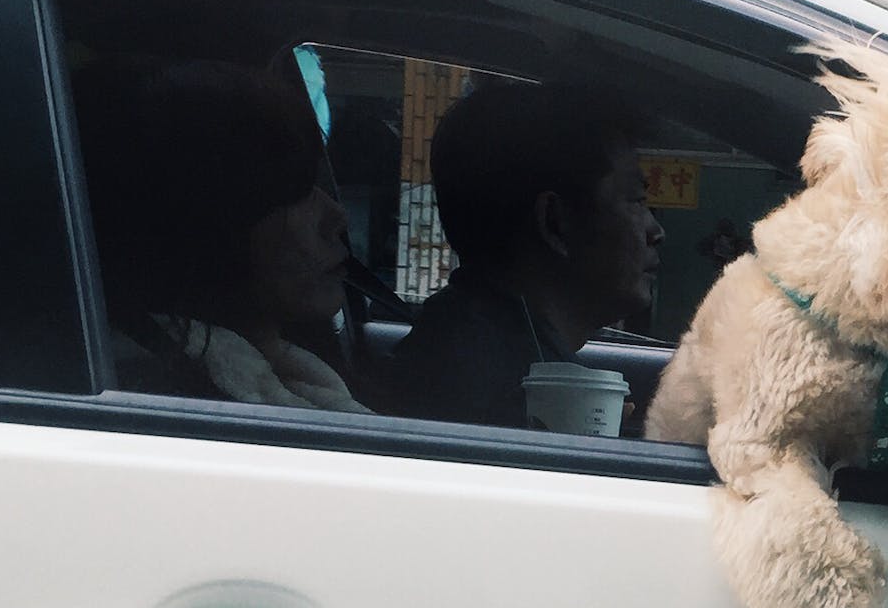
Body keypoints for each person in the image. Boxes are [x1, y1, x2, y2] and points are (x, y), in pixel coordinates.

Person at [87, 60, 365, 412]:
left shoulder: (265, 380)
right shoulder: (173, 405)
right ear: (214, 219)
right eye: (293, 192)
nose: (336, 216)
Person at [387, 80, 663, 430]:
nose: (656, 231)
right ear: (554, 222)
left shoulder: (467, 344)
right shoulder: (495, 397)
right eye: (636, 201)